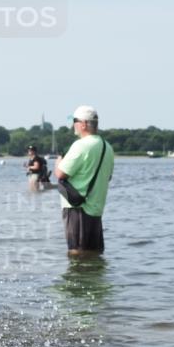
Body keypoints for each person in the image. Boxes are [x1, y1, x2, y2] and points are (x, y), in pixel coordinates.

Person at [55, 105, 114, 256]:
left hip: (78, 209)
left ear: (83, 124)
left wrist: (58, 162)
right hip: (96, 210)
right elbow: (108, 177)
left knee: (76, 255)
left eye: (74, 121)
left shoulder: (81, 145)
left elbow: (60, 174)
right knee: (94, 257)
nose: (73, 125)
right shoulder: (107, 147)